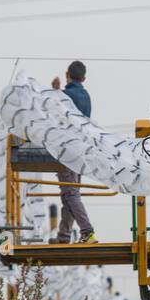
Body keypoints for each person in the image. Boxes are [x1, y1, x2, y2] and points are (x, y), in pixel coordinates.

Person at [48, 61, 96, 244]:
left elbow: (52, 111)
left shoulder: (65, 95)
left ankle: (87, 231)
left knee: (70, 193)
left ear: (67, 74)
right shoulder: (86, 96)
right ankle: (64, 235)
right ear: (83, 78)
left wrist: (54, 91)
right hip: (81, 150)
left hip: (66, 150)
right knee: (70, 193)